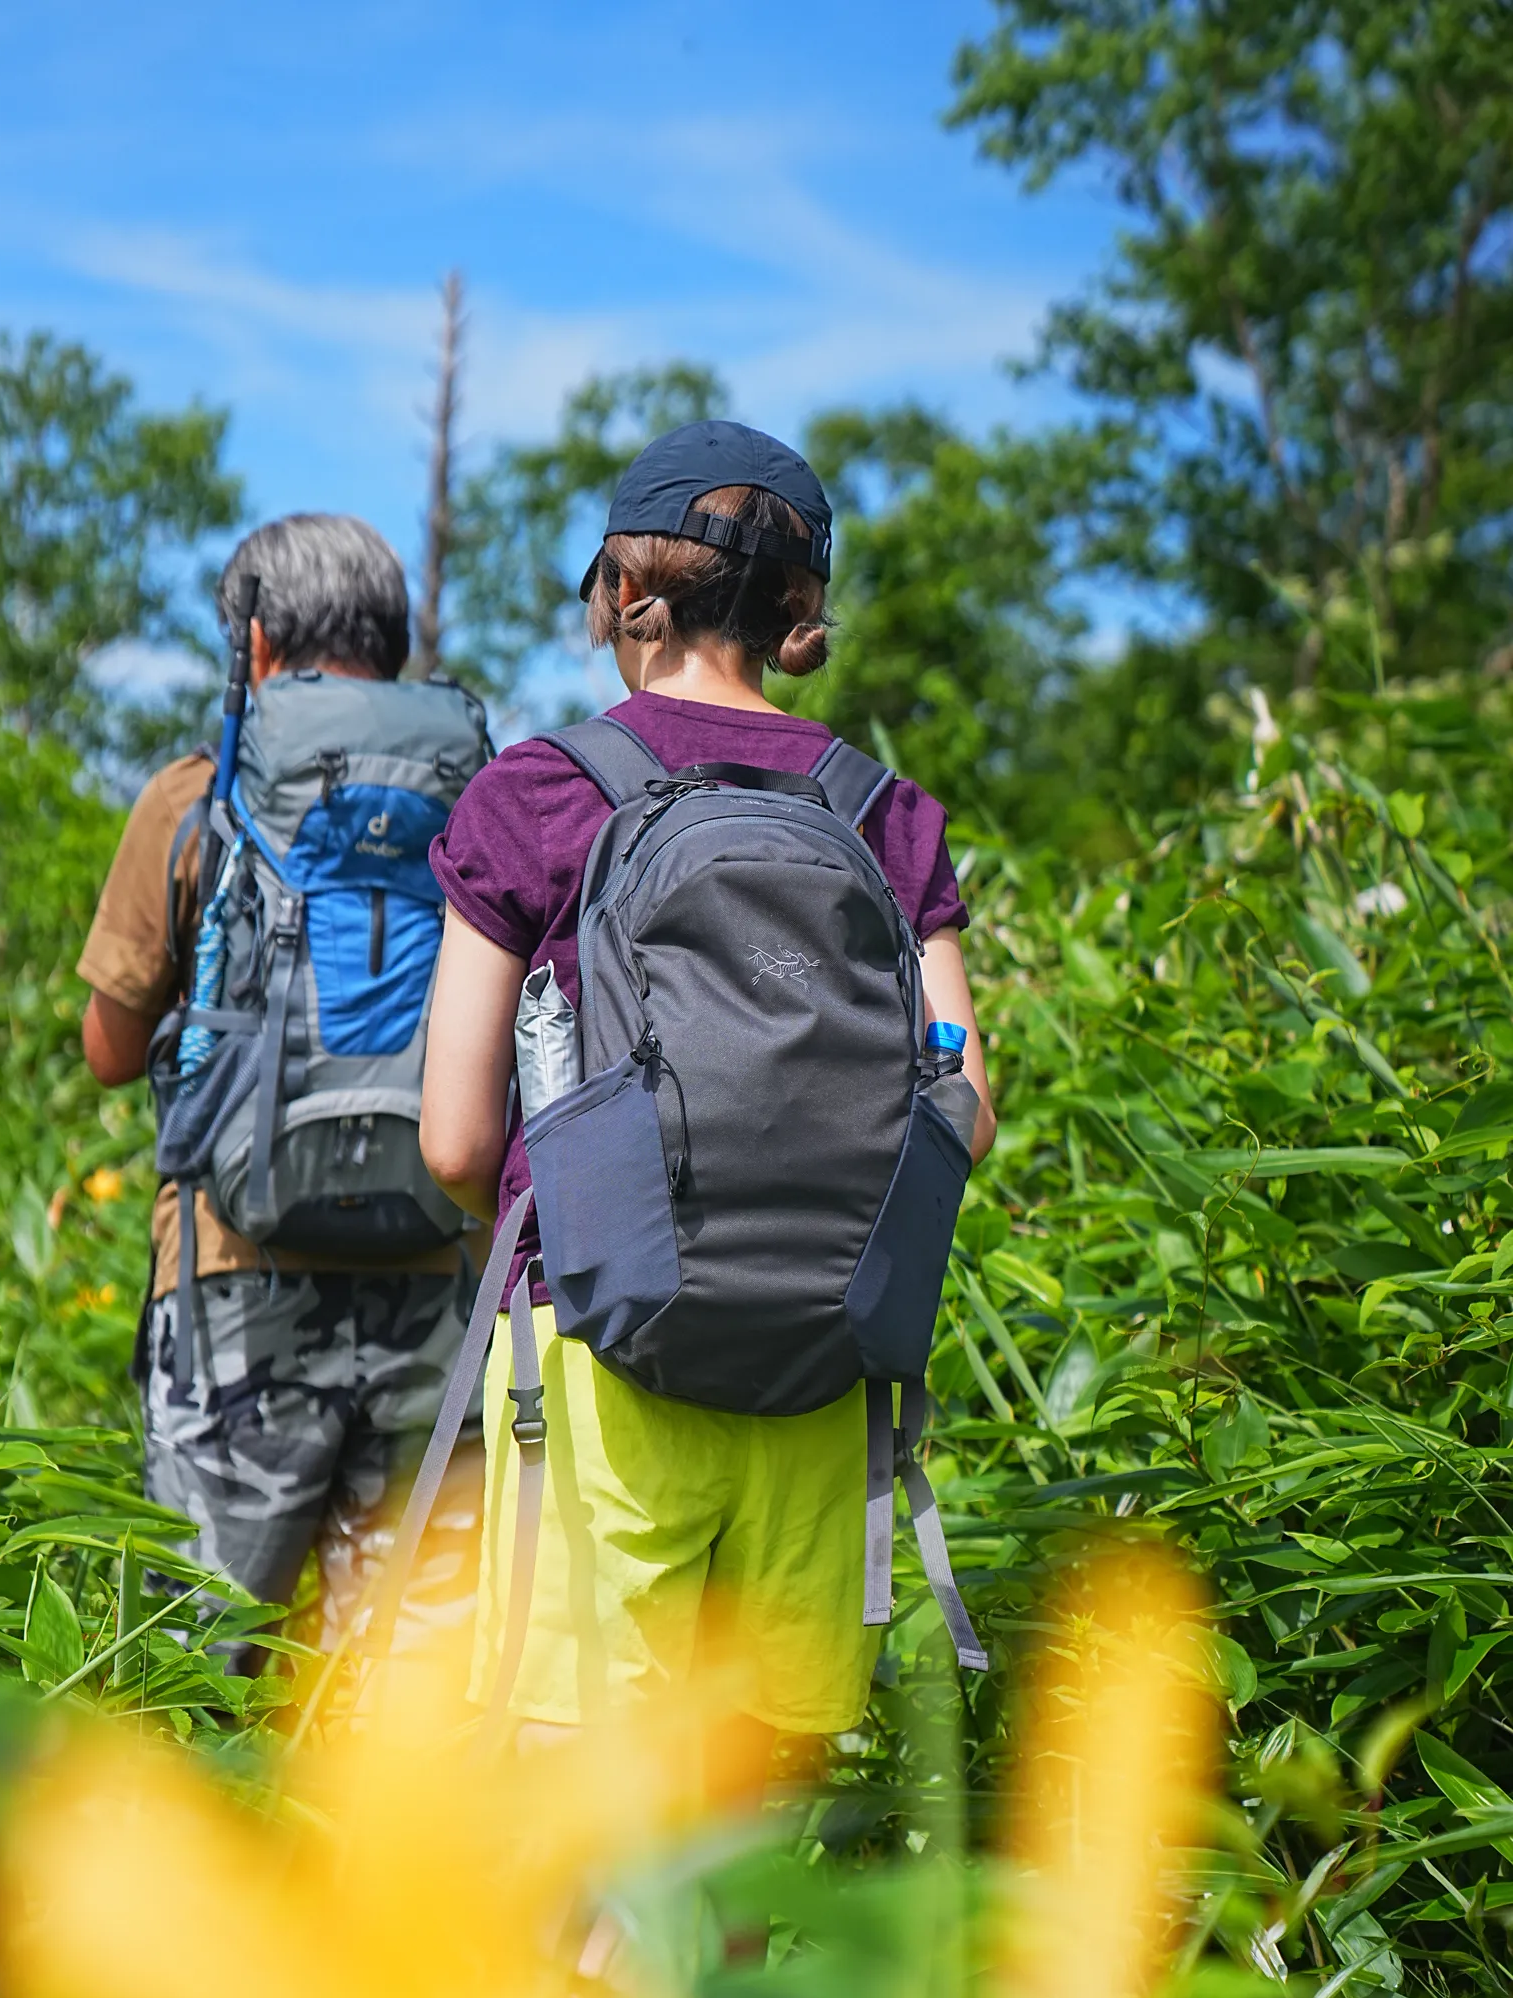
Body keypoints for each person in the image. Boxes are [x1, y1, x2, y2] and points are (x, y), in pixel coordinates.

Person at [420, 421, 996, 1783]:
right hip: (827, 1362)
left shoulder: (542, 795)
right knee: (747, 1814)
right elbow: (962, 1100)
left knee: (576, 1808)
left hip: (599, 1344)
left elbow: (453, 1135)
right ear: (797, 612)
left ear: (631, 597)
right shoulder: (883, 813)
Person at [78, 512, 489, 1645]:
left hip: (232, 1289)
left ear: (255, 647)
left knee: (197, 1667)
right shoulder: (487, 801)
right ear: (393, 645)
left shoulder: (196, 799)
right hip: (438, 1280)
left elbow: (112, 1051)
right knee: (412, 1700)